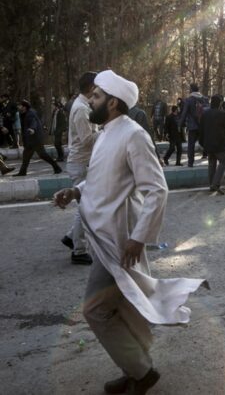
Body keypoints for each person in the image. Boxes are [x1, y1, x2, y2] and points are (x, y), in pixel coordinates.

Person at [53, 69, 207, 395]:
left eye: (95, 96)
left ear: (111, 102)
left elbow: (157, 189)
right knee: (124, 309)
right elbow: (101, 180)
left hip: (120, 242)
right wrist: (77, 191)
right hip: (102, 236)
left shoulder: (134, 135)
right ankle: (134, 368)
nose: (89, 100)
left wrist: (139, 238)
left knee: (95, 311)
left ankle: (142, 371)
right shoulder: (107, 132)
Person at [60, 71, 98, 266]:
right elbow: (87, 140)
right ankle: (79, 250)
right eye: (98, 87)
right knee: (85, 209)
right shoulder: (82, 109)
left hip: (82, 162)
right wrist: (108, 131)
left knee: (86, 206)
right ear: (92, 87)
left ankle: (70, 237)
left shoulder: (83, 105)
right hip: (80, 163)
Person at [15, 100, 63, 176]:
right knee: (26, 156)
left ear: (24, 107)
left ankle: (57, 167)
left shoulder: (30, 114)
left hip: (35, 139)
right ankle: (22, 172)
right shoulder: (25, 113)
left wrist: (32, 129)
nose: (18, 107)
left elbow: (33, 122)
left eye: (19, 105)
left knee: (42, 154)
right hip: (31, 139)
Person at [199, 94, 225, 194]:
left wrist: (202, 142)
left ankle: (211, 185)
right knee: (223, 161)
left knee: (211, 163)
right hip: (219, 143)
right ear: (220, 103)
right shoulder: (223, 113)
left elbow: (201, 129)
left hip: (207, 143)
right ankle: (215, 184)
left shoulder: (205, 114)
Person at [179, 83, 209, 167]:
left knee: (191, 145)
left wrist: (180, 124)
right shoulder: (205, 99)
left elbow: (184, 113)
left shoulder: (188, 100)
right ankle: (210, 159)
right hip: (203, 125)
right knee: (206, 142)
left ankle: (190, 163)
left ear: (191, 90)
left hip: (192, 126)